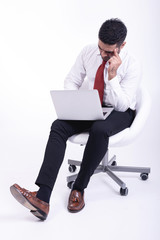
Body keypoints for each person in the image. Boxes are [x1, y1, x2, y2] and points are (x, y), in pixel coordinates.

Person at [10, 18, 141, 220]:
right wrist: (74, 102)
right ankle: (42, 198)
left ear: (122, 46)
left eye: (108, 51)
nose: (102, 54)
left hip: (119, 111)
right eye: (100, 48)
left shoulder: (132, 65)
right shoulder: (88, 52)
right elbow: (72, 80)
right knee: (58, 126)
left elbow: (124, 104)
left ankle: (78, 188)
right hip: (90, 104)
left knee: (99, 129)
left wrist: (113, 76)